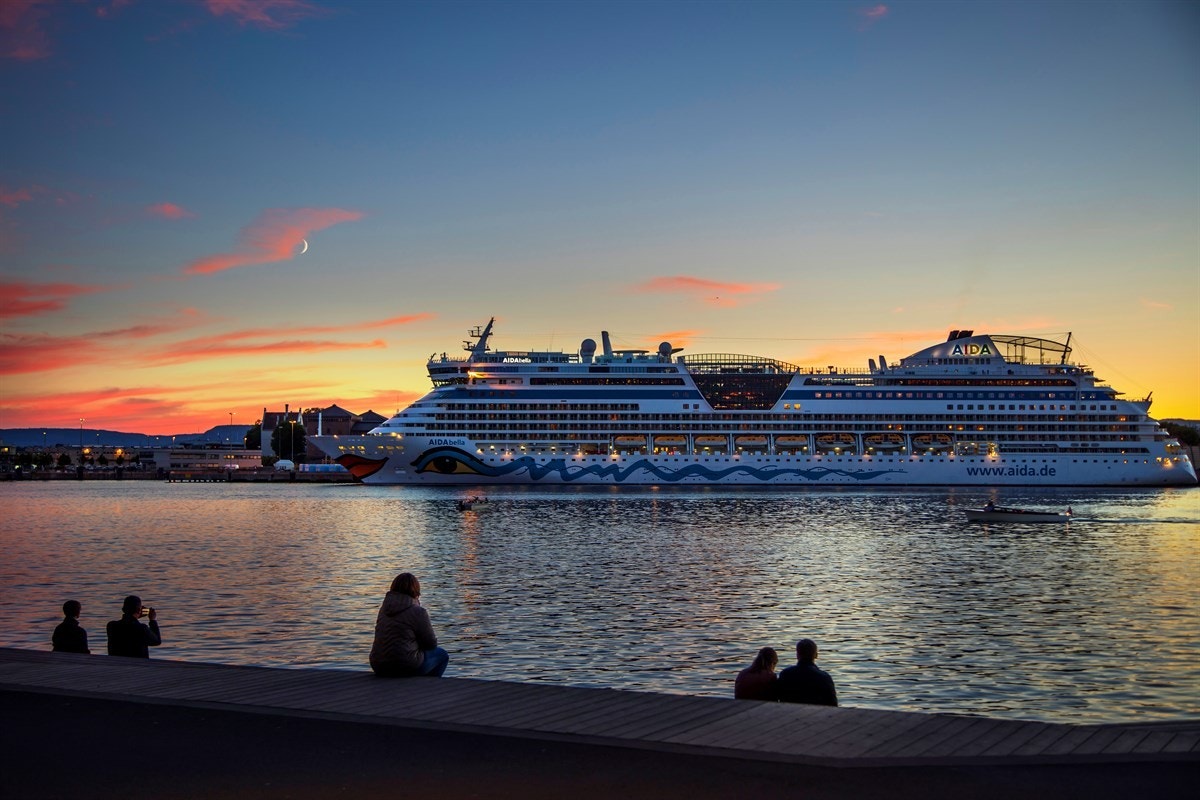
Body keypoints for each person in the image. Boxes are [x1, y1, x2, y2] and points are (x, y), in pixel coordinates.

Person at [369, 572, 449, 678]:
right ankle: (430, 686)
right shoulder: (418, 611)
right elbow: (431, 644)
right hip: (404, 666)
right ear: (415, 590)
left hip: (378, 665)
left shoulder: (383, 609)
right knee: (442, 655)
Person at [776, 638, 838, 706]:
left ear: (797, 655)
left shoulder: (785, 674)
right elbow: (833, 704)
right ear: (816, 655)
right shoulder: (824, 678)